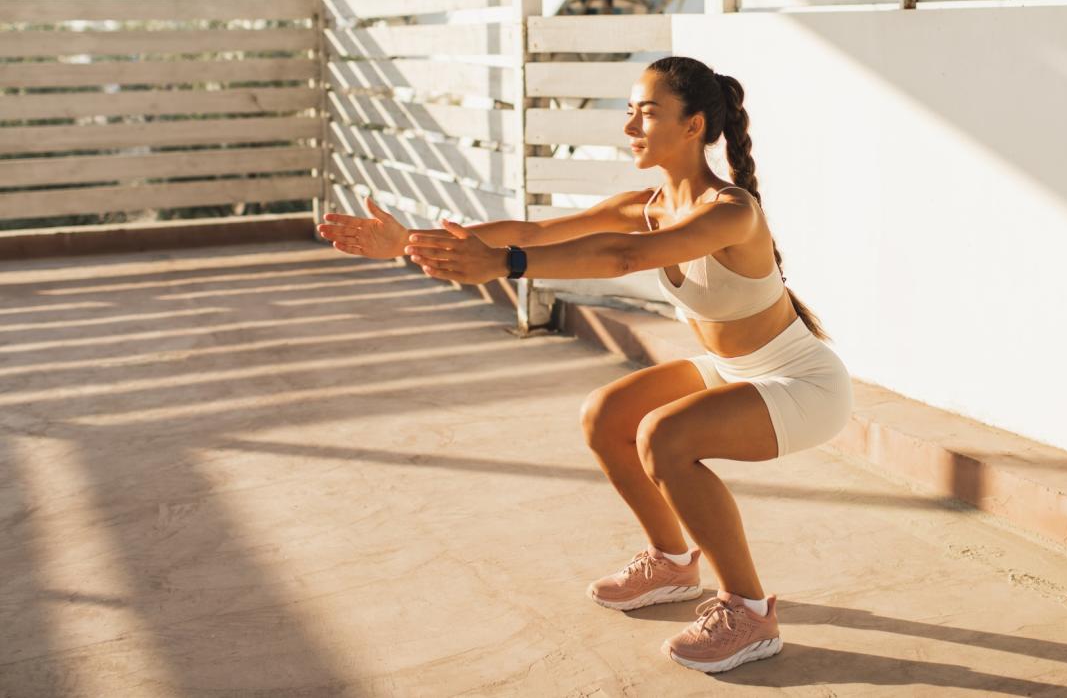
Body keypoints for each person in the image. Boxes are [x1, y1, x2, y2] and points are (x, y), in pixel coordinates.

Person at [316, 56, 853, 674]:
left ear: (693, 124)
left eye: (647, 112)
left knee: (665, 435)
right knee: (607, 414)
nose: (630, 125)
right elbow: (536, 229)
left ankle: (750, 613)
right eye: (629, 111)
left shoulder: (729, 211)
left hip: (801, 383)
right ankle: (673, 565)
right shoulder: (644, 204)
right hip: (732, 369)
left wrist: (508, 267)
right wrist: (408, 239)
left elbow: (622, 258)